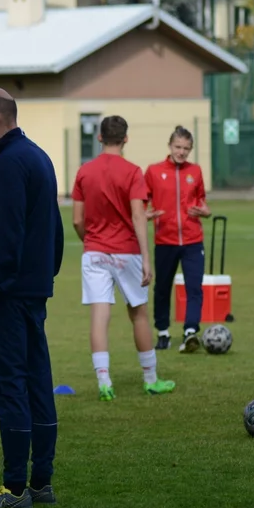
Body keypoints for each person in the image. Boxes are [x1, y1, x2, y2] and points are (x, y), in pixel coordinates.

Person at [0, 87, 64, 508]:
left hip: (11, 295)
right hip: (34, 292)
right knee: (38, 383)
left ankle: (13, 490)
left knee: (8, 385)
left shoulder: (9, 163)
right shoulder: (39, 157)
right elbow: (54, 231)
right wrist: (43, 277)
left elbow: (6, 231)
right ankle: (40, 483)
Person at [71, 115, 177, 400]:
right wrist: (145, 257)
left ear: (99, 137)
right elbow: (138, 215)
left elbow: (77, 220)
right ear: (126, 139)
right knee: (139, 314)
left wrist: (91, 242)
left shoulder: (84, 171)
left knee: (99, 315)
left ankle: (104, 381)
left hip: (94, 251)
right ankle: (151, 379)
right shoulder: (132, 172)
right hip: (126, 251)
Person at [145, 124, 212, 353]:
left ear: (190, 149)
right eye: (178, 147)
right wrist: (145, 214)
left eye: (186, 148)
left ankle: (190, 332)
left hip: (193, 240)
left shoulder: (196, 171)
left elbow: (202, 201)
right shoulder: (153, 171)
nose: (181, 152)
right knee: (162, 288)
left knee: (194, 288)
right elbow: (142, 202)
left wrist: (205, 211)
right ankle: (163, 332)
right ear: (170, 146)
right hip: (165, 240)